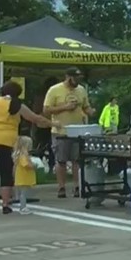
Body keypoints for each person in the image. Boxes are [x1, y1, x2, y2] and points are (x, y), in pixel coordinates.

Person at [0, 81, 51, 216]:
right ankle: (5, 205)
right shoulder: (18, 105)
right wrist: (52, 123)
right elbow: (35, 118)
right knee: (6, 173)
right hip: (6, 141)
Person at [43, 67, 94, 198]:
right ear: (67, 77)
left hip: (78, 131)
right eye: (75, 78)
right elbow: (46, 110)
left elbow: (85, 106)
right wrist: (65, 107)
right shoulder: (54, 90)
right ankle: (61, 187)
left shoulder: (81, 90)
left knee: (77, 160)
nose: (77, 81)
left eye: (79, 78)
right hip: (61, 130)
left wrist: (90, 111)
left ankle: (78, 186)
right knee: (61, 160)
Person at [12, 136, 38, 213]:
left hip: (22, 176)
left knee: (23, 193)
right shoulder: (23, 155)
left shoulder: (21, 155)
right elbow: (25, 164)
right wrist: (33, 166)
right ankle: (23, 207)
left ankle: (23, 206)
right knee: (23, 193)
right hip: (23, 176)